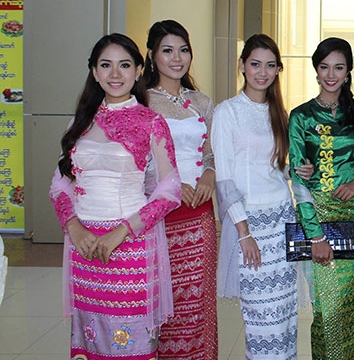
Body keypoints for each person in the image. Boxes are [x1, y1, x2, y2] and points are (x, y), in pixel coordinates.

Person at [49, 33, 181, 359]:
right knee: (91, 344)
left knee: (129, 345)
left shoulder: (152, 122)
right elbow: (60, 185)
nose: (115, 74)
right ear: (94, 72)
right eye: (105, 65)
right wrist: (74, 227)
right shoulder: (79, 123)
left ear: (138, 70)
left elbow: (170, 190)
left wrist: (121, 231)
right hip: (84, 247)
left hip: (130, 247)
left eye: (124, 65)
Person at [212, 34, 311, 360]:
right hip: (251, 224)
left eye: (270, 65)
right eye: (255, 64)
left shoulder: (278, 112)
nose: (262, 72)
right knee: (261, 321)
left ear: (278, 69)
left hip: (283, 220)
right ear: (242, 65)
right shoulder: (227, 112)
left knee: (285, 316)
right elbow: (225, 178)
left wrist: (296, 171)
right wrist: (243, 232)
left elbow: (274, 168)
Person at [288, 37, 354, 359]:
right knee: (326, 309)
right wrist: (315, 236)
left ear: (348, 72)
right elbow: (298, 181)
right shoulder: (301, 117)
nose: (331, 75)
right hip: (319, 217)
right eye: (325, 67)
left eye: (338, 67)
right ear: (316, 70)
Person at [144, 20, 217, 359]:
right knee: (163, 302)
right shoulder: (141, 101)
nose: (177, 58)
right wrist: (171, 185)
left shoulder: (202, 102)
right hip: (160, 215)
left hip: (200, 212)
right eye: (167, 50)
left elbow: (211, 152)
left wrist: (209, 175)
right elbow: (137, 163)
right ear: (152, 55)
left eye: (183, 50)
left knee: (197, 302)